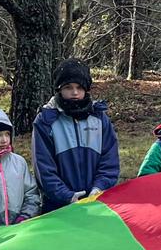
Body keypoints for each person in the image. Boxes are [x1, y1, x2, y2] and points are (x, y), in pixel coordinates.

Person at [33, 59, 120, 212]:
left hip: (96, 202)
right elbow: (43, 167)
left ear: (86, 89)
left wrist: (99, 187)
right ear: (59, 89)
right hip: (58, 207)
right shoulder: (46, 121)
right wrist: (66, 196)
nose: (74, 92)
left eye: (79, 87)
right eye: (68, 87)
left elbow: (109, 160)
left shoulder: (99, 119)